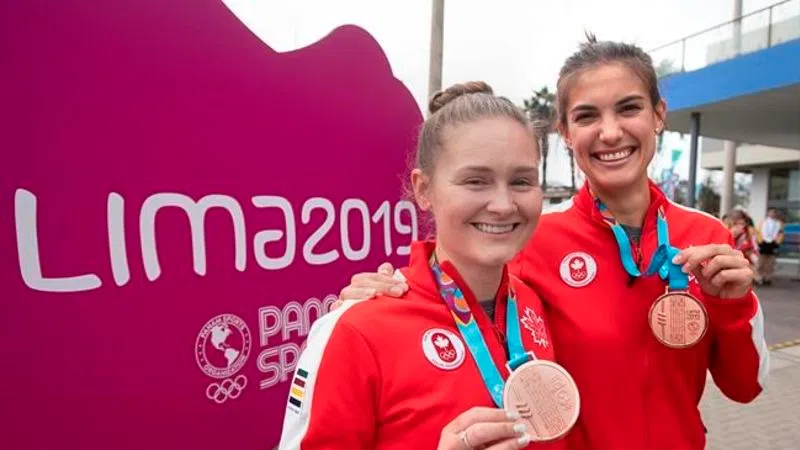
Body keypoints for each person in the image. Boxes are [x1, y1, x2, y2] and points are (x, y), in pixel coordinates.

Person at [338, 36, 768, 450]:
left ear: (658, 115)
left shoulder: (708, 236)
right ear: (565, 132)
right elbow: (447, 308)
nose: (610, 132)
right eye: (586, 116)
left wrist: (733, 307)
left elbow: (746, 387)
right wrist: (380, 297)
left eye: (629, 108)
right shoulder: (529, 237)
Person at [279, 81, 572, 449]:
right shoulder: (358, 330)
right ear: (423, 190)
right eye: (476, 181)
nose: (502, 204)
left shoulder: (530, 302)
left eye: (521, 181)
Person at [756, 208, 785, 285]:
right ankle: (759, 278)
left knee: (770, 263)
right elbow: (758, 232)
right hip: (763, 244)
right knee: (761, 262)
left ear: (775, 214)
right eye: (770, 212)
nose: (772, 214)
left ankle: (767, 278)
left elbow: (781, 234)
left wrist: (777, 243)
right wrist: (760, 242)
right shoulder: (763, 222)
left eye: (773, 213)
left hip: (773, 244)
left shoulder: (778, 224)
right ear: (768, 213)